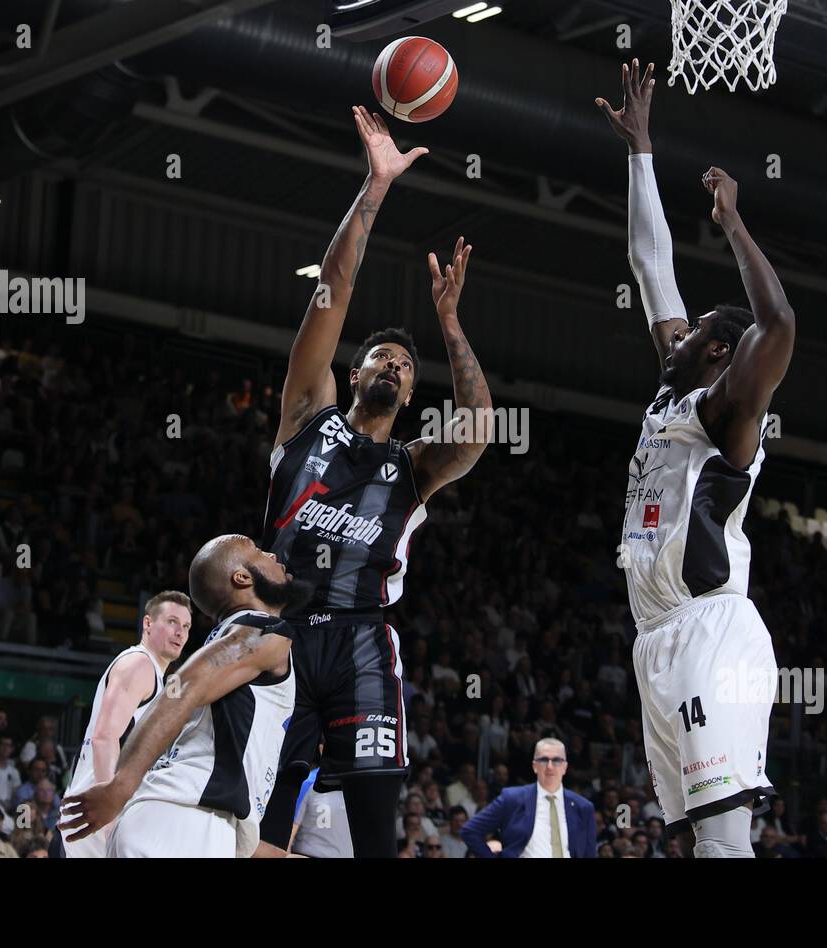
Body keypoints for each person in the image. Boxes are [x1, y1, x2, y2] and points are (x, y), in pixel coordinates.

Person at [257, 106, 492, 860]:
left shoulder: (414, 466)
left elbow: (479, 432)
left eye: (404, 365)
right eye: (381, 358)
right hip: (282, 634)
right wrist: (375, 186)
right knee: (261, 823)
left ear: (411, 393)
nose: (393, 366)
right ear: (353, 373)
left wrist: (450, 323)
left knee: (374, 840)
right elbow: (330, 291)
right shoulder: (306, 414)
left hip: (361, 642)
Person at [596, 60, 795, 858]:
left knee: (723, 842)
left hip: (714, 633)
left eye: (691, 330)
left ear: (715, 350)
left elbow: (777, 324)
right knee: (696, 842)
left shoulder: (727, 417)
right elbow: (650, 266)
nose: (670, 332)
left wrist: (734, 226)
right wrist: (641, 149)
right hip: (656, 639)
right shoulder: (669, 399)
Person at [60, 536, 311, 858]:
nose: (273, 554)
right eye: (259, 552)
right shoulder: (266, 631)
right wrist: (120, 785)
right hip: (180, 825)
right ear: (242, 577)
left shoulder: (228, 648)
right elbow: (182, 690)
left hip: (170, 822)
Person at [61, 590, 191, 858]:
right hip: (101, 812)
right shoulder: (139, 664)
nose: (180, 632)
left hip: (102, 810)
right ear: (147, 623)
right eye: (172, 622)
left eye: (186, 626)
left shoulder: (153, 673)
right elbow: (104, 738)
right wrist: (111, 815)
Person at [461, 738, 597, 858]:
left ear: (565, 767)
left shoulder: (583, 807)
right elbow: (470, 830)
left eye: (556, 760)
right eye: (543, 760)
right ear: (534, 766)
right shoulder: (512, 798)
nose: (550, 766)